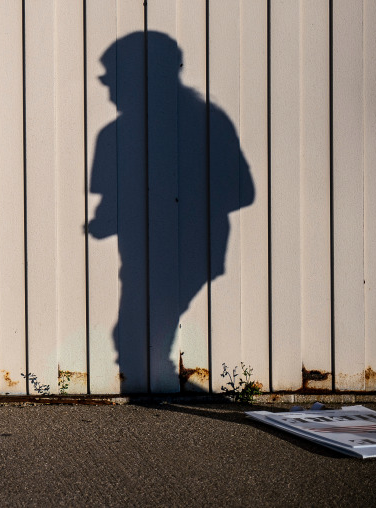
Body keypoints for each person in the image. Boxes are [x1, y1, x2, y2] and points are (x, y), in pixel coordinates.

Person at [88, 31, 254, 392]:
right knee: (142, 329)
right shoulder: (117, 134)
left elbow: (241, 191)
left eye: (111, 76)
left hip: (187, 246)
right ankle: (158, 394)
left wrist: (177, 205)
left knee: (139, 330)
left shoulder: (201, 123)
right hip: (148, 249)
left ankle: (158, 396)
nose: (107, 87)